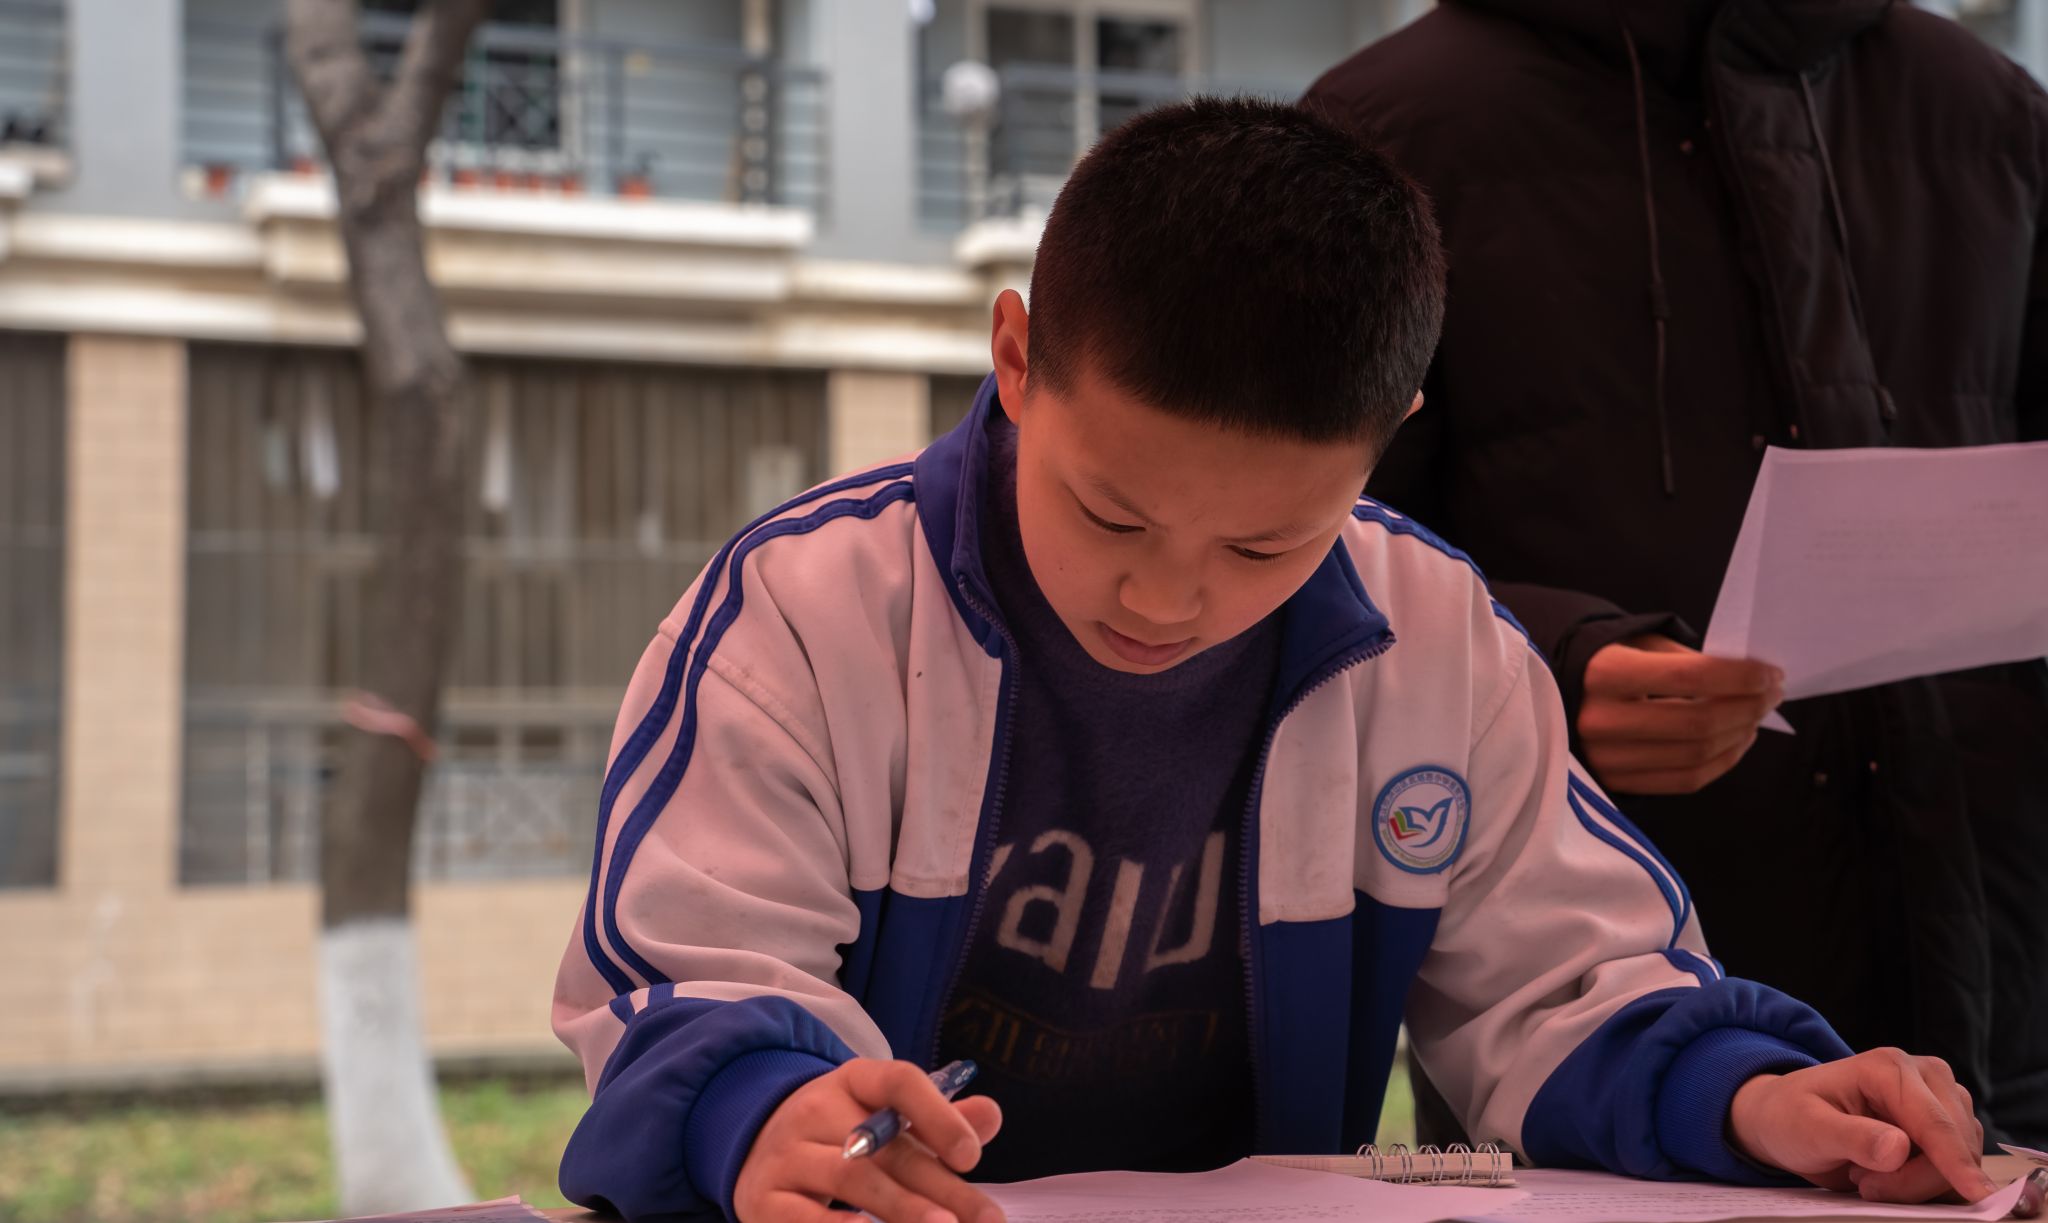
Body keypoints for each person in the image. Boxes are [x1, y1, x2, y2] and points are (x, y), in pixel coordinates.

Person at [549, 99, 1994, 1223]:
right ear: (1016, 356)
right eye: (1109, 512)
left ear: (1389, 434)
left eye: (1267, 543)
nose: (1166, 598)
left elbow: (1569, 982)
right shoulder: (808, 611)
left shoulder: (1434, 638)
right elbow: (690, 978)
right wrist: (762, 1112)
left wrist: (1756, 1095)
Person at [1303, 0, 2048, 1149]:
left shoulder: (1988, 112)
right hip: (1600, 1007)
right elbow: (1305, 539)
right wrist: (1551, 666)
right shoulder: (1391, 127)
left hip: (2003, 961)